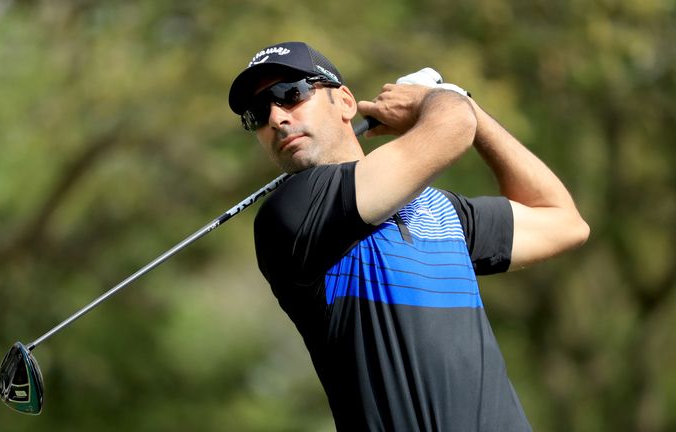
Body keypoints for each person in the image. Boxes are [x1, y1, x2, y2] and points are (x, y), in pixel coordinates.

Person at [227, 41, 589, 431]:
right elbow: (453, 127)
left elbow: (564, 221)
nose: (277, 118)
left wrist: (474, 114)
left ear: (345, 102)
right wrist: (442, 100)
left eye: (290, 94)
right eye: (257, 113)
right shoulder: (292, 214)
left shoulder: (441, 211)